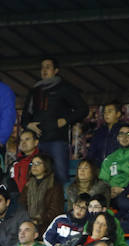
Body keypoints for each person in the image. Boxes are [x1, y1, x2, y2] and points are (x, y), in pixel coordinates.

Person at [21, 57, 88, 187]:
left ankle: (62, 206)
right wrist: (28, 125)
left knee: (60, 176)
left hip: (57, 139)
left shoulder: (64, 88)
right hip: (38, 141)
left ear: (56, 70)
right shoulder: (35, 90)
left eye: (48, 67)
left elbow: (83, 109)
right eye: (42, 67)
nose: (44, 70)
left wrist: (65, 120)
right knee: (38, 177)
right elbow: (25, 116)